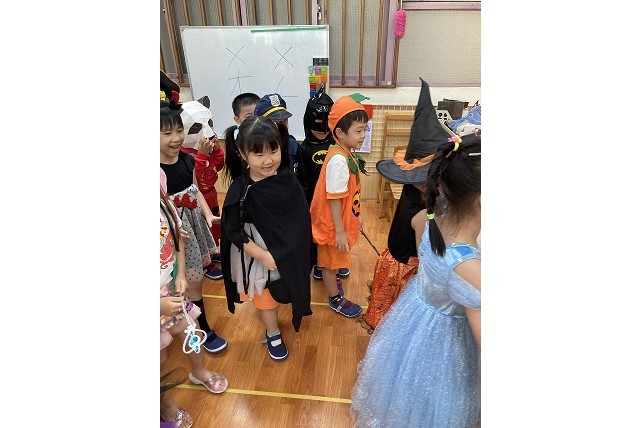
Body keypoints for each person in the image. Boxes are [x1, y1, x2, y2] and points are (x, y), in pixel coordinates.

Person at [350, 129, 482, 427]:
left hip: (416, 321)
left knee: (406, 398)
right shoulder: (469, 271)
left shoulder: (432, 216)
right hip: (445, 345)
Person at [220, 115, 312, 361]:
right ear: (242, 153)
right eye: (258, 154)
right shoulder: (241, 189)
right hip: (258, 252)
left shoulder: (287, 179)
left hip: (286, 250)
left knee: (285, 288)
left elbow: (300, 218)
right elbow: (233, 231)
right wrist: (263, 255)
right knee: (266, 297)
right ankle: (272, 332)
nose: (268, 160)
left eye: (273, 150)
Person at [360, 78, 448, 332]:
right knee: (397, 322)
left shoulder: (409, 192)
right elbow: (423, 256)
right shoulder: (422, 215)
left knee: (387, 314)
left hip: (391, 258)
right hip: (405, 270)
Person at [160, 99, 229, 354]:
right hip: (175, 236)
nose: (176, 138)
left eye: (179, 130)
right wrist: (173, 229)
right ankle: (195, 329)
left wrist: (208, 215)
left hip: (194, 226)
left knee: (195, 281)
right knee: (181, 284)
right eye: (167, 133)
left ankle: (200, 327)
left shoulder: (187, 160)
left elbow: (195, 189)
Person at [160, 181, 228, 427]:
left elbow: (176, 237)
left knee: (192, 332)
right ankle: (165, 404)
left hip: (171, 288)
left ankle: (199, 371)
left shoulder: (161, 201)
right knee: (158, 359)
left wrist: (180, 274)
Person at [309, 95, 369, 318]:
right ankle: (335, 298)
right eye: (358, 131)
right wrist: (340, 232)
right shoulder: (338, 161)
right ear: (341, 133)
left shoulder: (345, 153)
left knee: (333, 261)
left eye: (364, 130)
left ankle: (330, 276)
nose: (363, 135)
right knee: (330, 263)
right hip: (332, 227)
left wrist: (357, 216)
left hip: (340, 222)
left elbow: (349, 195)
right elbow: (334, 199)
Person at [297, 87, 351, 281]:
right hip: (315, 200)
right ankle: (322, 264)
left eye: (326, 127)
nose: (322, 132)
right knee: (319, 233)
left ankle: (336, 263)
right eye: (317, 127)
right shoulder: (304, 149)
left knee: (338, 229)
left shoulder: (337, 146)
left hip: (338, 198)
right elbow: (302, 179)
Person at [179, 96, 226, 281]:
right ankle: (205, 264)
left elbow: (218, 166)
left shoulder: (207, 146)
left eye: (209, 124)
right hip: (196, 201)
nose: (208, 131)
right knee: (201, 232)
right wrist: (202, 154)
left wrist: (216, 150)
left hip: (211, 196)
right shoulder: (183, 154)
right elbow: (198, 180)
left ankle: (213, 252)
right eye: (198, 127)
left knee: (213, 226)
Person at [254, 93, 298, 171]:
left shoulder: (294, 146)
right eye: (274, 122)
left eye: (284, 121)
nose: (281, 126)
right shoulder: (253, 148)